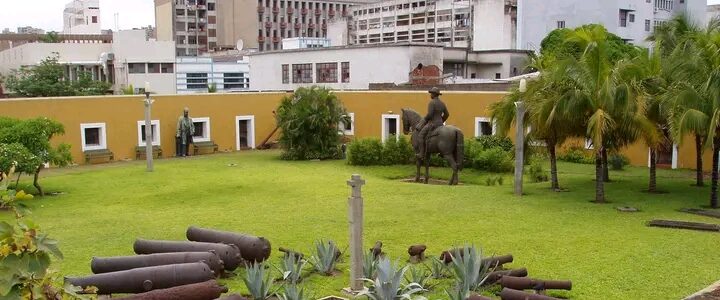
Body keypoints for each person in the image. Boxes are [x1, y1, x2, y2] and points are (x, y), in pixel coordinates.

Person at [415, 87, 449, 159]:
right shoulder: (442, 103)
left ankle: (421, 153)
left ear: (434, 94)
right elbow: (447, 114)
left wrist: (424, 120)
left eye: (431, 93)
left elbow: (430, 114)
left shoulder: (432, 102)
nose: (430, 95)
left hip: (432, 124)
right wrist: (441, 121)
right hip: (440, 125)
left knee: (420, 136)